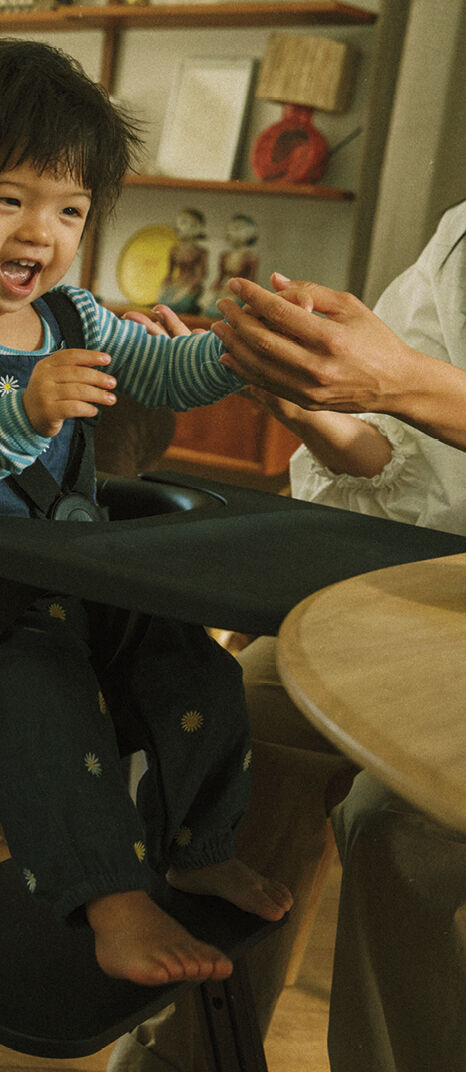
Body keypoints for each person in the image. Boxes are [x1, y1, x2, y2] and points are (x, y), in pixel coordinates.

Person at [0, 37, 292, 989]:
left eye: (69, 209)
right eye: (9, 200)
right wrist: (20, 413)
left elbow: (164, 372)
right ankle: (113, 901)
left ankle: (198, 845)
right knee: (48, 707)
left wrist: (237, 351)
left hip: (84, 581)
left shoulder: (78, 316)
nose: (41, 232)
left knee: (203, 669)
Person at [111, 201, 466, 1071]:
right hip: (438, 581)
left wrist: (405, 383)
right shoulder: (461, 235)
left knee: (400, 825)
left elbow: (411, 389)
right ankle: (180, 1060)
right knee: (239, 727)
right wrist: (308, 403)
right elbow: (413, 466)